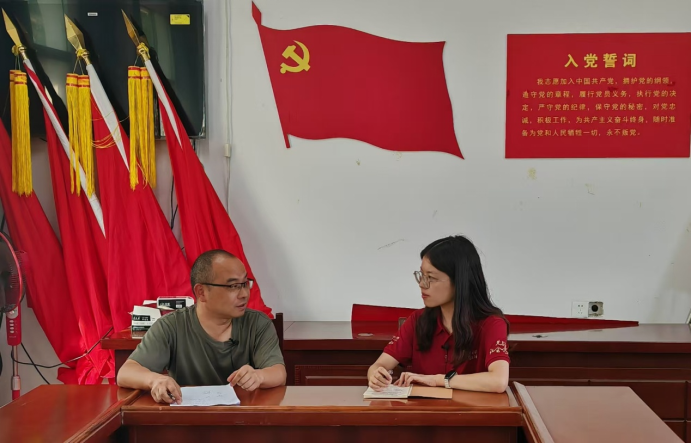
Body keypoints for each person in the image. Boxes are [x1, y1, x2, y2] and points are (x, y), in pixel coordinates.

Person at [117, 250, 286, 404]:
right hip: (189, 420)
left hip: (243, 419)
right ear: (201, 292)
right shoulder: (171, 326)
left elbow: (278, 372)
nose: (244, 294)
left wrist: (259, 376)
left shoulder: (258, 323)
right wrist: (155, 380)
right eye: (233, 286)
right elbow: (126, 373)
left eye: (245, 284)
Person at [367, 236, 510, 393]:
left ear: (459, 282)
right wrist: (375, 375)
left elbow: (498, 381)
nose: (422, 284)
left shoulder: (491, 324)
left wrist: (437, 380)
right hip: (423, 408)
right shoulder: (417, 320)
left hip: (470, 408)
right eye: (421, 275)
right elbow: (378, 365)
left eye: (431, 278)